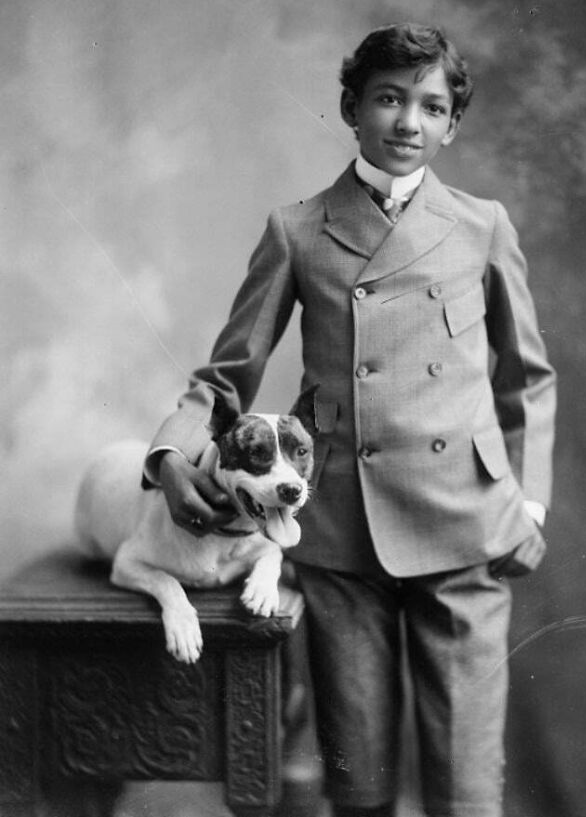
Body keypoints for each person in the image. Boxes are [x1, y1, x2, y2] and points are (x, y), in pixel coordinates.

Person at [143, 22, 556, 817]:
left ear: (452, 125)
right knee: (358, 779)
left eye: (431, 107)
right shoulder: (297, 230)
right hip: (341, 527)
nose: (409, 122)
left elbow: (528, 378)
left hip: (466, 522)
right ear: (350, 107)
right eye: (389, 99)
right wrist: (168, 454)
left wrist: (529, 499)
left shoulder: (482, 225)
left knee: (467, 790)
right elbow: (226, 375)